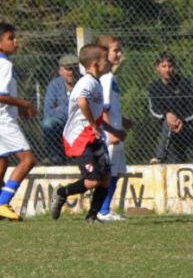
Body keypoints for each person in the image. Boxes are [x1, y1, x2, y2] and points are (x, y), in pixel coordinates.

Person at [0, 22, 38, 221]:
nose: (16, 41)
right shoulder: (5, 64)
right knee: (28, 160)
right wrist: (25, 104)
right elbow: (0, 96)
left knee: (1, 160)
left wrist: (17, 109)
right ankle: (2, 203)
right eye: (11, 38)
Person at [50, 44, 112, 223]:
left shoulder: (96, 82)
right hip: (80, 138)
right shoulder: (87, 82)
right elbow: (82, 101)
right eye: (105, 59)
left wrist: (108, 128)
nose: (109, 63)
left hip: (94, 136)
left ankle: (92, 217)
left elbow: (95, 110)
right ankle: (61, 193)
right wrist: (93, 125)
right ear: (95, 64)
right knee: (93, 181)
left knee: (106, 178)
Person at [97, 35, 131, 221]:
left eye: (120, 50)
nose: (119, 53)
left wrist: (123, 121)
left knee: (116, 172)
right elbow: (103, 109)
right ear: (104, 53)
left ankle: (105, 209)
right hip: (110, 134)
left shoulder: (111, 77)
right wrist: (111, 132)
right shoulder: (106, 78)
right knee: (109, 173)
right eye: (115, 50)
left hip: (116, 130)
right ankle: (102, 210)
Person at [148, 52, 193, 164]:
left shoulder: (185, 84)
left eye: (170, 66)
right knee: (176, 160)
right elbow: (154, 110)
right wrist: (166, 114)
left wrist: (181, 120)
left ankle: (159, 156)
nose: (167, 70)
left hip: (187, 128)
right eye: (164, 66)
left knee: (170, 125)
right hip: (167, 131)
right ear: (157, 68)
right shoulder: (154, 87)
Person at [42, 54, 80, 165]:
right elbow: (48, 111)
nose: (71, 72)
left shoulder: (84, 82)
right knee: (48, 123)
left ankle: (78, 157)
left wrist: (60, 108)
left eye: (74, 68)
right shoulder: (54, 85)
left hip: (80, 121)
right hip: (61, 122)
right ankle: (55, 157)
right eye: (68, 69)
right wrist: (70, 109)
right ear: (60, 71)